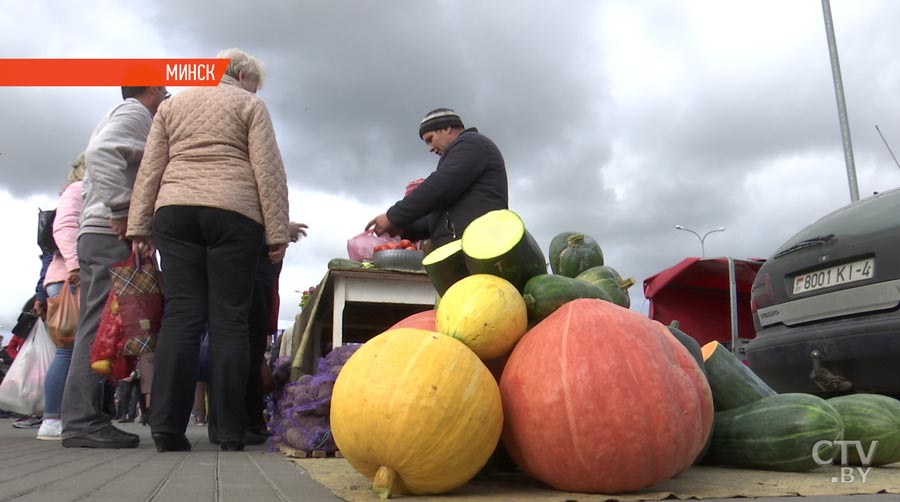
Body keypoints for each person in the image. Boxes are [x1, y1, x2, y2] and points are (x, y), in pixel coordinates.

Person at [127, 48, 290, 452]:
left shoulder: (173, 104)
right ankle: (229, 431)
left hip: (175, 211)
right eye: (252, 81)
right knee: (230, 319)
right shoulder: (250, 104)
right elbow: (267, 168)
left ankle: (165, 427)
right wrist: (277, 233)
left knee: (181, 314)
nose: (253, 89)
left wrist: (139, 224)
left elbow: (152, 166)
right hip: (234, 212)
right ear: (240, 75)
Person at [60, 85, 168, 449]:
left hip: (96, 232)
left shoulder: (120, 114)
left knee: (97, 326)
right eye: (165, 88)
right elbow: (102, 154)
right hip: (108, 232)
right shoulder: (136, 113)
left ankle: (85, 419)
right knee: (97, 328)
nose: (168, 94)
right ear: (151, 88)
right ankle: (82, 422)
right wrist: (123, 210)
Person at [366, 108, 509, 248]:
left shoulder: (472, 143)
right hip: (464, 249)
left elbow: (439, 187)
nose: (430, 148)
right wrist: (403, 229)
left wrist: (393, 216)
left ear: (447, 128)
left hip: (481, 246)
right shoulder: (461, 156)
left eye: (430, 139)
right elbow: (437, 217)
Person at [35, 153, 85, 441]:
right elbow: (64, 228)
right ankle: (53, 419)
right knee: (70, 351)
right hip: (70, 279)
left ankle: (58, 417)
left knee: (70, 351)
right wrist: (77, 264)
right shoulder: (78, 191)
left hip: (61, 278)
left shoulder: (71, 192)